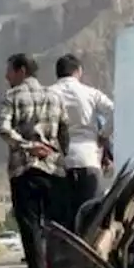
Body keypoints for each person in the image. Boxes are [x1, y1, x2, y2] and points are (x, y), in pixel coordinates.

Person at [0, 53, 68, 268]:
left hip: (24, 169)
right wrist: (57, 154)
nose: (7, 76)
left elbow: (3, 128)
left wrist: (27, 145)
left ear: (22, 70)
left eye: (10, 71)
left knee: (30, 225)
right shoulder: (55, 97)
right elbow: (64, 133)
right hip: (52, 168)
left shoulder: (11, 96)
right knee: (55, 226)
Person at [50, 53, 114, 230]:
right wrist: (103, 134)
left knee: (63, 223)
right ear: (78, 71)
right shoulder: (91, 93)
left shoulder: (48, 95)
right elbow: (114, 111)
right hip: (88, 159)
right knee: (91, 219)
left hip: (59, 164)